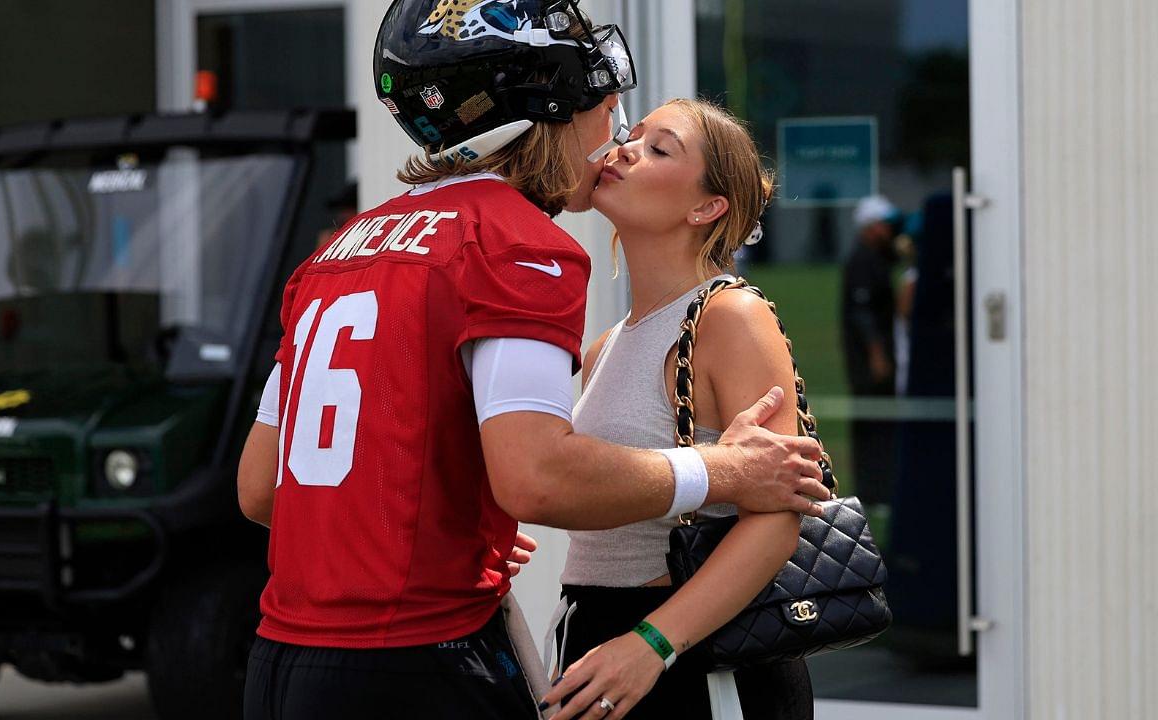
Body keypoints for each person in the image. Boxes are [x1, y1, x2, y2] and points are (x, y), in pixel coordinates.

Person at [236, 4, 829, 718]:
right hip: (421, 655)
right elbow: (537, 477)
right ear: (541, 105)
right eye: (607, 111)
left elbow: (263, 489)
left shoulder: (340, 247)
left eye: (651, 142)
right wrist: (722, 470)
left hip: (284, 655)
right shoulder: (515, 242)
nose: (612, 141)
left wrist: (454, 520)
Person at [537, 99, 815, 720]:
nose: (625, 150)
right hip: (599, 637)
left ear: (705, 207)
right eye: (630, 137)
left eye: (660, 148)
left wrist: (652, 645)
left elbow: (778, 516)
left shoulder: (731, 317)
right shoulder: (607, 345)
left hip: (697, 654)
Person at [841, 194, 901, 510]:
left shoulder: (875, 257)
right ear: (870, 227)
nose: (889, 231)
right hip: (867, 362)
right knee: (872, 425)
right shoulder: (863, 260)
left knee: (879, 424)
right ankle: (873, 490)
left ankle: (880, 488)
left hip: (872, 357)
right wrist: (877, 356)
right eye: (883, 225)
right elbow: (861, 314)